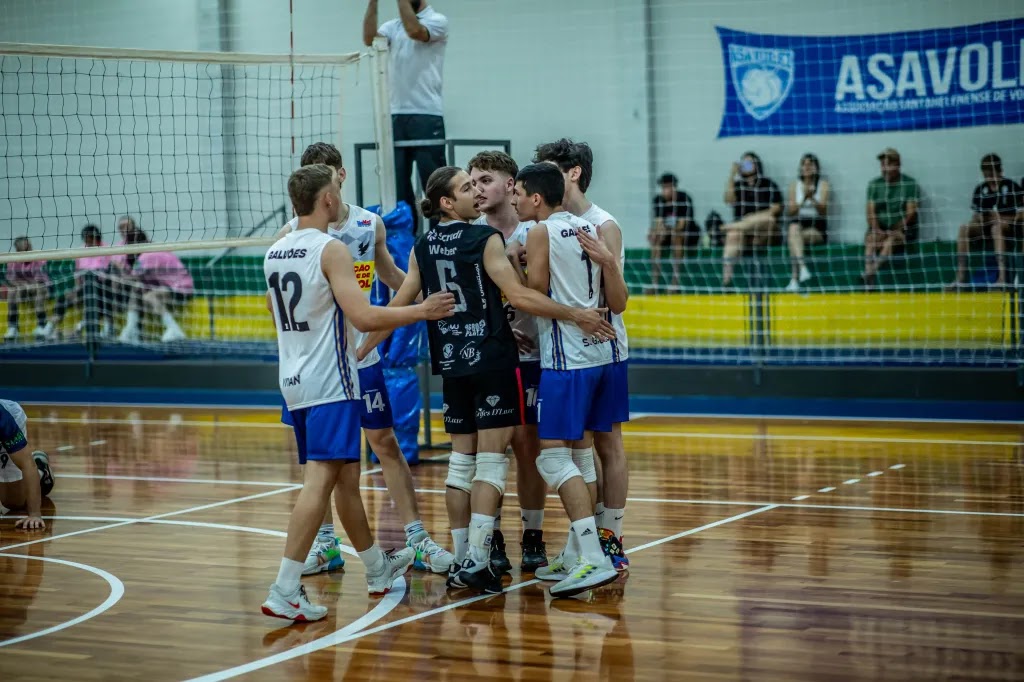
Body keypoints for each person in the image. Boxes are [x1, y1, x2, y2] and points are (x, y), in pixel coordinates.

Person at [369, 165, 615, 595]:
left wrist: (362, 347)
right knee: (491, 463)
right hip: (492, 362)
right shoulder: (486, 239)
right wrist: (577, 313)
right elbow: (520, 297)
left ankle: (463, 556)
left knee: (460, 464)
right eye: (466, 188)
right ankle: (481, 560)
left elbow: (402, 300)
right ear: (447, 202)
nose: (476, 195)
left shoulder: (423, 246)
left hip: (451, 363)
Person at [260, 163, 455, 622]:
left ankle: (376, 568)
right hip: (332, 379)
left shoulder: (275, 252)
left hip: (294, 377)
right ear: (327, 198)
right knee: (320, 481)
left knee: (345, 477)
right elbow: (366, 318)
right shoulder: (330, 249)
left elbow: (278, 317)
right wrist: (422, 311)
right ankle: (285, 587)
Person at [513, 162, 624, 597]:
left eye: (519, 192)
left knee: (552, 460)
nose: (516, 199)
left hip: (566, 360)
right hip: (604, 356)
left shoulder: (540, 232)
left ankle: (594, 558)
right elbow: (616, 298)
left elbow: (535, 293)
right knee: (580, 457)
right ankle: (580, 553)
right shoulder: (588, 227)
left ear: (537, 198)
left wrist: (513, 267)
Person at [534, 139, 631, 572]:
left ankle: (609, 537)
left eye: (552, 167)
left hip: (601, 348)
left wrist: (608, 263)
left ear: (572, 173)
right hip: (567, 348)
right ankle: (581, 544)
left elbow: (617, 301)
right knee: (577, 448)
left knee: (605, 442)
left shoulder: (601, 223)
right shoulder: (546, 224)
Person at [467, 150, 548, 574]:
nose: (477, 189)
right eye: (472, 182)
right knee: (490, 454)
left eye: (485, 180)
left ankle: (533, 533)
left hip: (535, 353)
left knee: (530, 448)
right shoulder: (470, 233)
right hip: (490, 358)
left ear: (511, 185)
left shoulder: (537, 229)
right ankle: (491, 537)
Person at [363, 0, 449, 230]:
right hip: (395, 115)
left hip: (426, 113)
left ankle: (442, 236)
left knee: (435, 185)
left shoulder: (437, 21)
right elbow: (369, 39)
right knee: (398, 188)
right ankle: (408, 244)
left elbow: (415, 31)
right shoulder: (392, 26)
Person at [949, 154, 1023, 288]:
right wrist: (979, 218)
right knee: (964, 227)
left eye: (991, 173)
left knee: (997, 227)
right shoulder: (981, 189)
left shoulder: (1011, 186)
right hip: (986, 225)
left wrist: (999, 217)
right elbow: (976, 214)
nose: (988, 177)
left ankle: (1002, 277)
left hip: (1008, 227)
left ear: (999, 170)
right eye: (985, 173)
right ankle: (961, 276)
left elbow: (1021, 216)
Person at [114, 229, 194, 344]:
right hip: (173, 286)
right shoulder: (154, 249)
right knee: (137, 289)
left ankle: (174, 329)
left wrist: (118, 275)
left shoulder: (146, 256)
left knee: (149, 297)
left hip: (182, 289)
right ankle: (131, 330)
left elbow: (133, 277)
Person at [721, 152, 783, 288]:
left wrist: (752, 218)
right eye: (743, 164)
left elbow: (777, 209)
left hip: (765, 232)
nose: (745, 166)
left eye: (749, 163)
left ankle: (737, 225)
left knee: (769, 220)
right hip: (744, 235)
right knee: (733, 234)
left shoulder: (768, 184)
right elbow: (728, 200)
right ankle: (726, 282)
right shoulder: (737, 185)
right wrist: (732, 175)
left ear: (757, 165)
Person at [863, 148, 920, 288]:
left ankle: (871, 272)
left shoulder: (909, 184)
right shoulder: (874, 184)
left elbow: (911, 214)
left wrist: (894, 229)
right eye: (883, 165)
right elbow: (870, 212)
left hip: (903, 229)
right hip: (880, 228)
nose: (885, 168)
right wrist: (877, 229)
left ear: (898, 165)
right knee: (871, 241)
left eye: (889, 164)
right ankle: (869, 279)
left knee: (890, 242)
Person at [52, 224, 116, 338]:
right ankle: (51, 327)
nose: (88, 240)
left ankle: (104, 327)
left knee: (98, 294)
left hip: (102, 285)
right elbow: (78, 274)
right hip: (84, 286)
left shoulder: (106, 249)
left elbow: (107, 272)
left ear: (96, 237)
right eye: (85, 238)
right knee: (64, 296)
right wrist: (76, 289)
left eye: (90, 237)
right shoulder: (81, 250)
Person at [0, 399, 55, 529]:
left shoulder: (4, 419)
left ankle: (42, 470)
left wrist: (35, 514)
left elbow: (26, 464)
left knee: (14, 502)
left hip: (10, 422)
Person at [784, 154, 829, 292]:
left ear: (816, 168)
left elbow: (824, 212)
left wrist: (812, 198)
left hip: (816, 227)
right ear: (801, 168)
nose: (807, 167)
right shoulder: (794, 186)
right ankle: (802, 268)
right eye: (805, 164)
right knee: (793, 230)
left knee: (793, 239)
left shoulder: (823, 185)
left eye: (811, 164)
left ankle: (794, 279)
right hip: (798, 224)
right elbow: (790, 212)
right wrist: (804, 198)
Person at [648, 173, 696, 291]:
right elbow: (658, 223)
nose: (666, 191)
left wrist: (665, 229)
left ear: (674, 187)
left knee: (677, 237)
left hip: (686, 234)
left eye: (668, 187)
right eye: (663, 188)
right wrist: (658, 232)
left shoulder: (684, 198)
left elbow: (681, 225)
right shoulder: (658, 200)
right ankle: (655, 283)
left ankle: (675, 282)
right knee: (656, 240)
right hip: (667, 234)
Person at [3, 238, 55, 341]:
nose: (28, 247)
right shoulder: (12, 260)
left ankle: (41, 325)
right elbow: (10, 280)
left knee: (38, 289)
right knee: (12, 291)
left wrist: (28, 285)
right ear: (18, 249)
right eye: (25, 246)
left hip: (40, 287)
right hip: (22, 288)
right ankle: (13, 328)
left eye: (28, 245)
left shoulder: (38, 258)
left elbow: (40, 280)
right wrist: (25, 285)